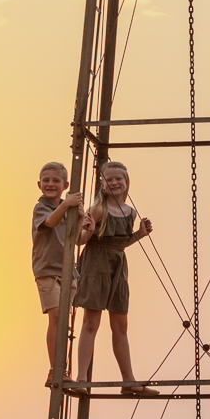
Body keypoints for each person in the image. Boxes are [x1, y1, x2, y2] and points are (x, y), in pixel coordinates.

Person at [74, 160, 159, 397]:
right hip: (95, 265)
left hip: (118, 266)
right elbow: (79, 240)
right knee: (91, 323)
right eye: (109, 179)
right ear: (102, 183)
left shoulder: (130, 212)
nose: (114, 183)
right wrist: (88, 230)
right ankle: (81, 378)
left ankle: (129, 380)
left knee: (120, 325)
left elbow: (119, 244)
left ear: (126, 182)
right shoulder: (97, 209)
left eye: (118, 179)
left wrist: (140, 235)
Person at [31, 161, 82, 385]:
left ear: (65, 185)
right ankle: (55, 370)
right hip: (48, 269)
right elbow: (50, 223)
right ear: (39, 184)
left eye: (56, 181)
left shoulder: (67, 209)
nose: (50, 184)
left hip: (67, 270)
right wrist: (66, 205)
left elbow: (78, 239)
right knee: (56, 317)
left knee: (65, 322)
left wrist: (81, 218)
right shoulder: (41, 207)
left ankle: (63, 368)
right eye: (47, 180)